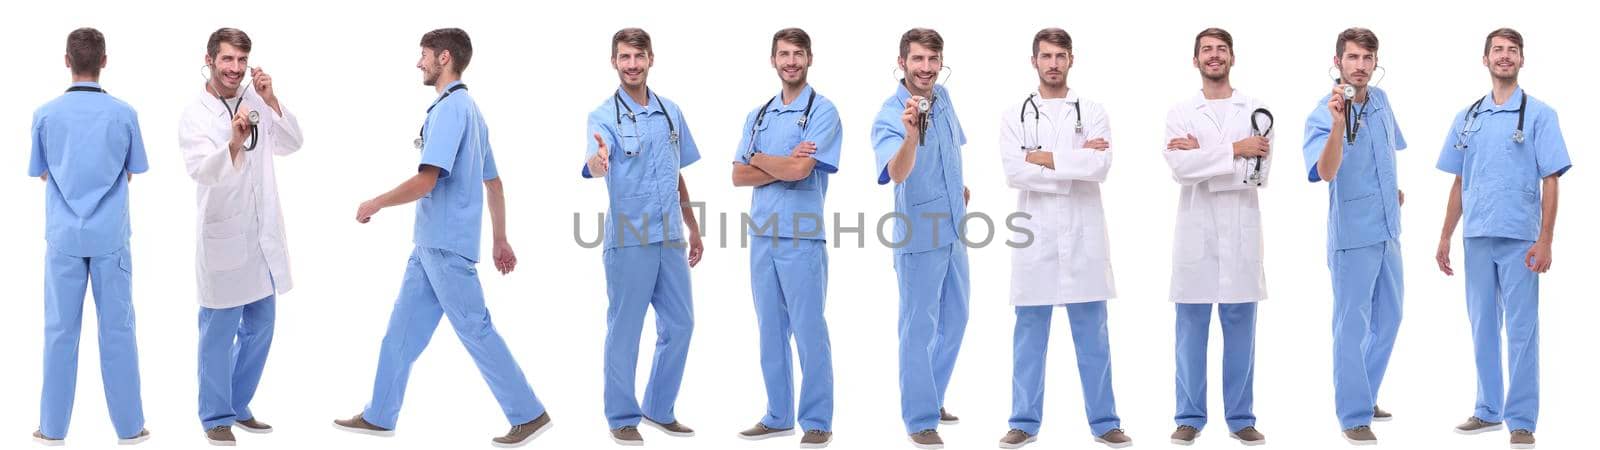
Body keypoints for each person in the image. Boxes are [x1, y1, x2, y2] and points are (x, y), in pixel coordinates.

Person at [332, 28, 551, 448]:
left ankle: (529, 413)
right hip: (429, 247)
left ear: (444, 58)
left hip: (446, 247)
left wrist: (375, 202)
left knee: (475, 329)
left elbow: (427, 181)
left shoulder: (452, 110)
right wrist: (499, 239)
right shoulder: (472, 111)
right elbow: (495, 184)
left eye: (424, 55)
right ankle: (380, 414)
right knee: (400, 333)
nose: (419, 63)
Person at [994, 27, 1129, 450]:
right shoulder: (1015, 113)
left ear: (1072, 60)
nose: (1053, 63)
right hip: (1035, 239)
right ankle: (1023, 422)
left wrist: (1043, 158)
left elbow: (1100, 166)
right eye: (1046, 56)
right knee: (1029, 340)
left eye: (1060, 56)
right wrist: (1075, 160)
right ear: (1033, 61)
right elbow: (1014, 171)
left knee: (1094, 339)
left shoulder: (1092, 110)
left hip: (1083, 238)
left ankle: (1105, 422)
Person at [1433, 28, 1568, 450]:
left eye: (1512, 51)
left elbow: (1551, 179)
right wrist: (1444, 237)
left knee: (1523, 330)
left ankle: (1522, 420)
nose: (1504, 57)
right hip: (1477, 236)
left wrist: (1545, 240)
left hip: (1519, 238)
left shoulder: (1540, 114)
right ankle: (1488, 409)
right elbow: (1459, 181)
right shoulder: (1468, 116)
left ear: (1522, 60)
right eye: (1497, 50)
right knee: (1482, 327)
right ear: (1485, 59)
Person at [178, 27, 304, 446]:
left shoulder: (256, 102)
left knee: (262, 325)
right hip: (223, 238)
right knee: (218, 333)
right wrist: (232, 142)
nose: (235, 69)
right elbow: (201, 170)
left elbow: (292, 143)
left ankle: (236, 401)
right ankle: (215, 415)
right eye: (227, 60)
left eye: (241, 61)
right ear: (210, 59)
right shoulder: (195, 114)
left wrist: (270, 100)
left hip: (260, 237)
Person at [582, 27, 704, 446]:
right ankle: (621, 416)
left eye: (639, 56)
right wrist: (600, 160)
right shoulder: (602, 116)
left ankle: (658, 407)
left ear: (651, 58)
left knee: (681, 324)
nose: (632, 64)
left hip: (670, 236)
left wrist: (694, 228)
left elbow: (677, 174)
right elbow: (596, 162)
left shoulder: (671, 112)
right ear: (614, 62)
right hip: (630, 238)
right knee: (626, 328)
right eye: (624, 57)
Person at [30, 27, 150, 447]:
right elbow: (133, 171)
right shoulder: (124, 113)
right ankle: (130, 428)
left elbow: (42, 171)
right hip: (110, 238)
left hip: (63, 238)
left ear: (67, 61)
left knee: (60, 331)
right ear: (104, 61)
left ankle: (52, 428)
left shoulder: (45, 114)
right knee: (117, 329)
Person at [730, 27, 841, 449]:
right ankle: (778, 415)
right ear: (773, 60)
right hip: (762, 236)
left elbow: (801, 172)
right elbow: (737, 175)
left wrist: (759, 158)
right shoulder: (758, 115)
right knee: (770, 328)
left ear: (810, 58)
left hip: (801, 235)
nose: (790, 61)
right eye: (783, 54)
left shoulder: (823, 111)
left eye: (798, 53)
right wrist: (777, 162)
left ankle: (816, 420)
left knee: (809, 328)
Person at [1161, 27, 1272, 447]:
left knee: (1242, 331)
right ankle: (1189, 417)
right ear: (1195, 60)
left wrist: (1202, 153)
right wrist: (1233, 149)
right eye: (1206, 50)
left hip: (1242, 232)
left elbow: (1255, 177)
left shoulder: (1257, 109)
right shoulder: (1180, 111)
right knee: (1190, 331)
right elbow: (1179, 170)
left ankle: (1241, 417)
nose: (1214, 56)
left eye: (1221, 49)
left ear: (1232, 58)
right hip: (1195, 235)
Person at [1299, 27, 1407, 446]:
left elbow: (1386, 152)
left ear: (1375, 63)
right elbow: (1325, 172)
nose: (1360, 66)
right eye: (1352, 58)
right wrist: (1337, 125)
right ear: (1337, 61)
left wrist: (1391, 189)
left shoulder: (1381, 102)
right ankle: (1353, 414)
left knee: (1390, 318)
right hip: (1352, 237)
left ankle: (1366, 393)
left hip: (1387, 230)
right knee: (1351, 326)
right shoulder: (1322, 113)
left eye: (1367, 58)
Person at [869, 27, 971, 450]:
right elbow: (896, 172)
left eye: (933, 60)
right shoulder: (889, 114)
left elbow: (953, 148)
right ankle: (919, 418)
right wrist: (910, 135)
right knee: (917, 327)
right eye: (918, 60)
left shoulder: (943, 99)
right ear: (902, 63)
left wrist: (959, 187)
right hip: (919, 234)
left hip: (955, 226)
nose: (926, 68)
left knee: (956, 319)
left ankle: (932, 395)